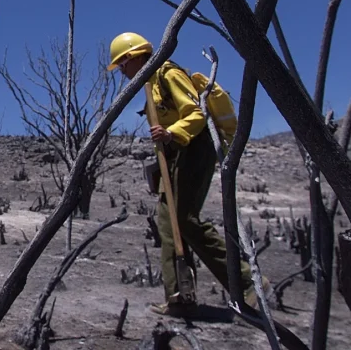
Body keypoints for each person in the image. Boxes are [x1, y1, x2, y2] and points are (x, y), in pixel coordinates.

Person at [107, 32, 272, 317]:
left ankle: (249, 283)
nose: (122, 73)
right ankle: (179, 296)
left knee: (184, 218)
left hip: (196, 147)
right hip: (173, 155)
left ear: (133, 57)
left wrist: (171, 132)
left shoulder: (167, 75)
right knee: (168, 223)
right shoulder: (149, 85)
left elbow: (196, 113)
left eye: (122, 65)